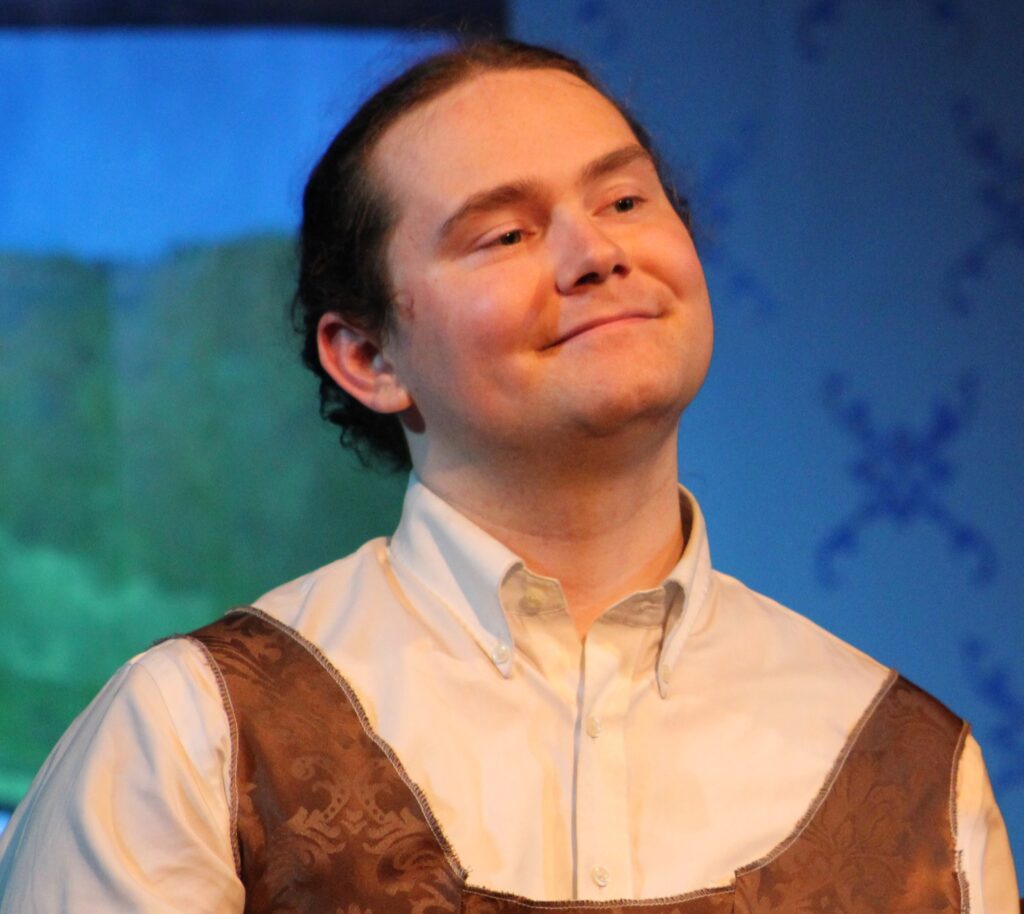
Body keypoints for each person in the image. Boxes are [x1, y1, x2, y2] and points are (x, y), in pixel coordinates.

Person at [0, 39, 1017, 913]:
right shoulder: (195, 734)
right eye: (505, 234)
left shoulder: (910, 767)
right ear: (369, 357)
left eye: (625, 199)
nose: (596, 253)